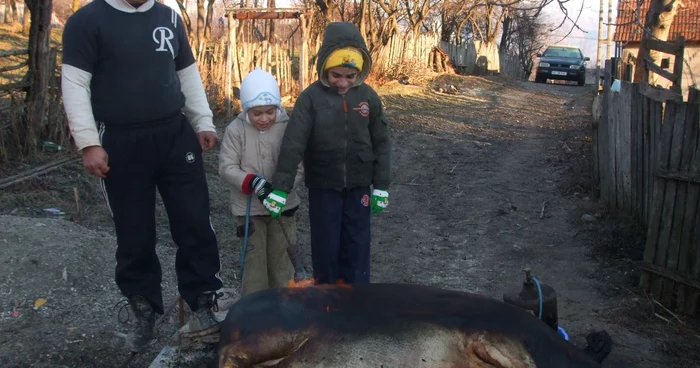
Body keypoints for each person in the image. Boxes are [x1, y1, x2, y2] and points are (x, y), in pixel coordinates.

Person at [60, 0, 224, 353]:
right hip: (120, 139)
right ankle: (143, 308)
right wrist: (88, 142)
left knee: (194, 220)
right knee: (134, 231)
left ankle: (202, 304)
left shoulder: (168, 16)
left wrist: (203, 120)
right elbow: (74, 83)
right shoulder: (87, 21)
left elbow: (187, 72)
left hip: (174, 132)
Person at [260, 21, 391, 285]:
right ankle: (327, 302)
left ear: (360, 71)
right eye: (336, 75)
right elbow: (293, 142)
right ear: (324, 68)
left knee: (357, 243)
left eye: (350, 76)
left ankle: (356, 299)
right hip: (323, 186)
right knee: (326, 243)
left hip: (359, 185)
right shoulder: (310, 99)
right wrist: (281, 188)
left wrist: (381, 186)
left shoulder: (368, 98)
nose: (343, 82)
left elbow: (382, 142)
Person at [218, 67, 304, 297]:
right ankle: (255, 313)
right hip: (250, 211)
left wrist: (282, 190)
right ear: (246, 109)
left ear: (277, 107)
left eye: (269, 112)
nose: (264, 118)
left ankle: (283, 310)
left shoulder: (288, 128)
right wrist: (252, 181)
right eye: (257, 113)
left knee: (282, 260)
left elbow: (298, 165)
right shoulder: (236, 130)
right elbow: (227, 167)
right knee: (254, 264)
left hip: (283, 208)